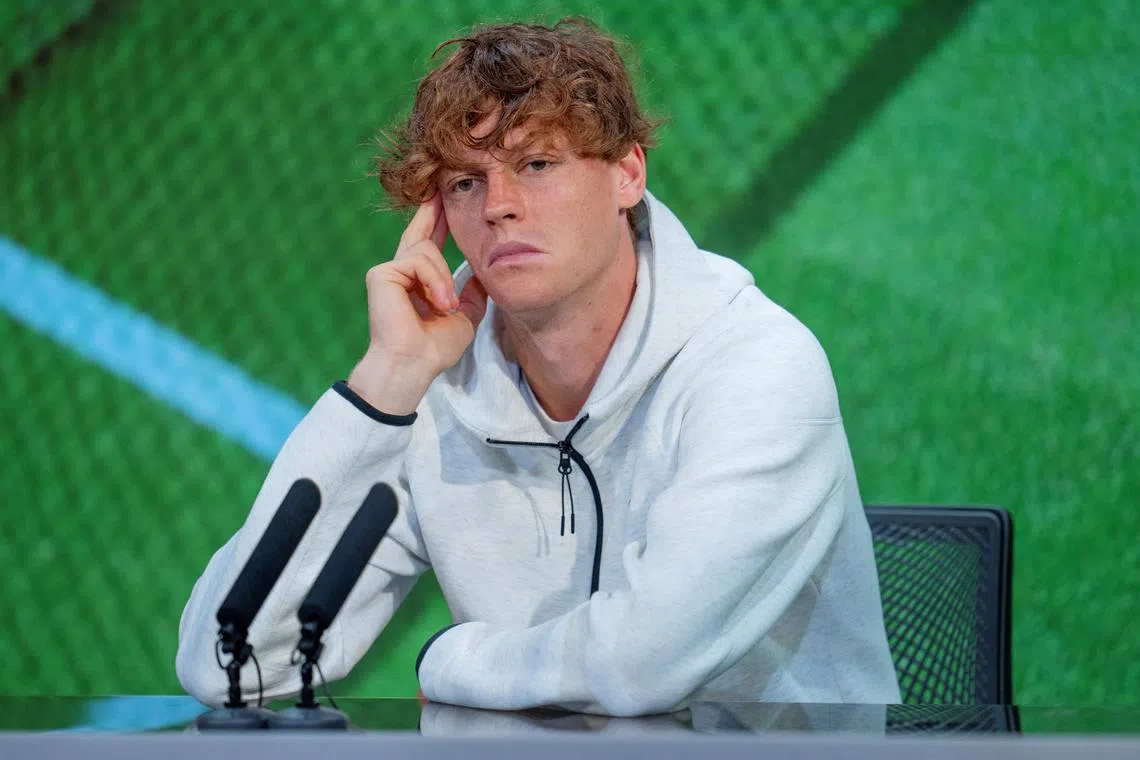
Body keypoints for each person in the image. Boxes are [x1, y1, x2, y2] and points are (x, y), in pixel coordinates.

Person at [176, 16, 900, 716]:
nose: (499, 206)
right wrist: (387, 382)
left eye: (537, 164)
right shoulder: (435, 391)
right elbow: (228, 665)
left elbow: (642, 664)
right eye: (465, 182)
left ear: (627, 174)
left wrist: (453, 661)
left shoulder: (758, 368)